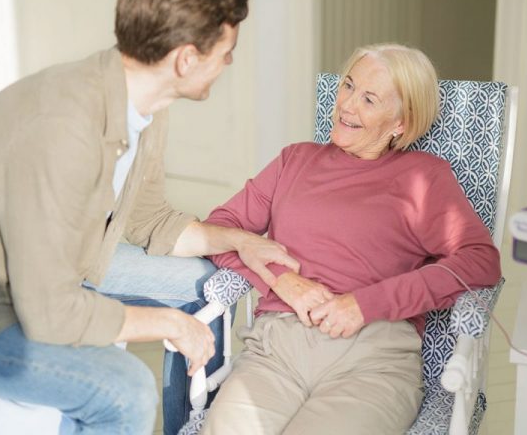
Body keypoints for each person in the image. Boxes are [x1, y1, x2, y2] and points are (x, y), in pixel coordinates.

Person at [0, 0, 297, 435]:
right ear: (186, 59)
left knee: (201, 283)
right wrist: (168, 324)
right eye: (226, 51)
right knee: (125, 391)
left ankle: (192, 426)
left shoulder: (144, 103)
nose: (228, 63)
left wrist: (236, 240)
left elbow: (147, 217)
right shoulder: (64, 129)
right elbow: (49, 312)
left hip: (52, 267)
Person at [197, 43, 502, 434]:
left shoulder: (424, 178)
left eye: (369, 99)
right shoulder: (295, 160)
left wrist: (366, 303)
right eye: (348, 86)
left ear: (401, 124)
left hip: (372, 361)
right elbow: (221, 227)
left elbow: (479, 260)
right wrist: (280, 279)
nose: (347, 105)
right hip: (276, 351)